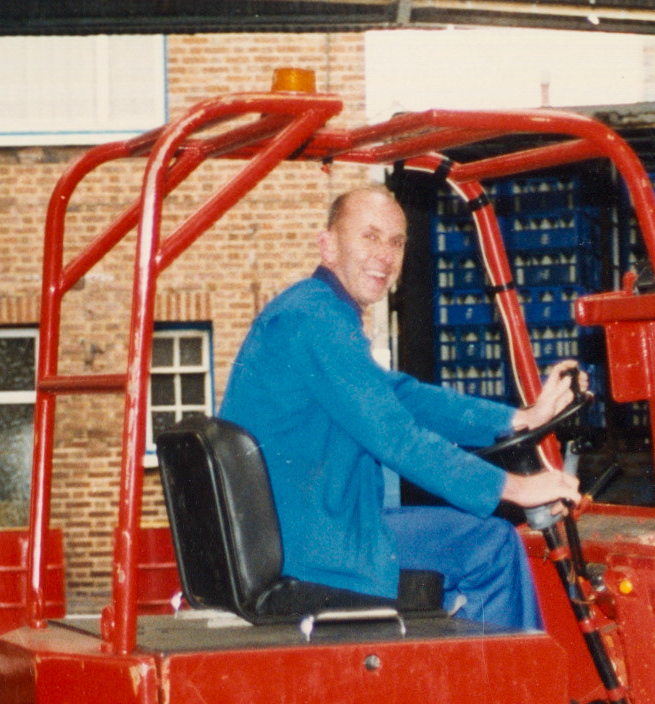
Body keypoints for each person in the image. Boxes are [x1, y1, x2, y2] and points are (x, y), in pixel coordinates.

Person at [219, 184, 582, 630]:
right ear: (327, 245)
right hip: (315, 545)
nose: (385, 256)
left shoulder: (313, 312)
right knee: (492, 547)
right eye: (370, 237)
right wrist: (518, 488)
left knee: (455, 546)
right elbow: (395, 434)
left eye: (396, 242)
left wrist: (518, 418)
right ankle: (518, 698)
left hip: (307, 529)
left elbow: (403, 395)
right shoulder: (316, 320)